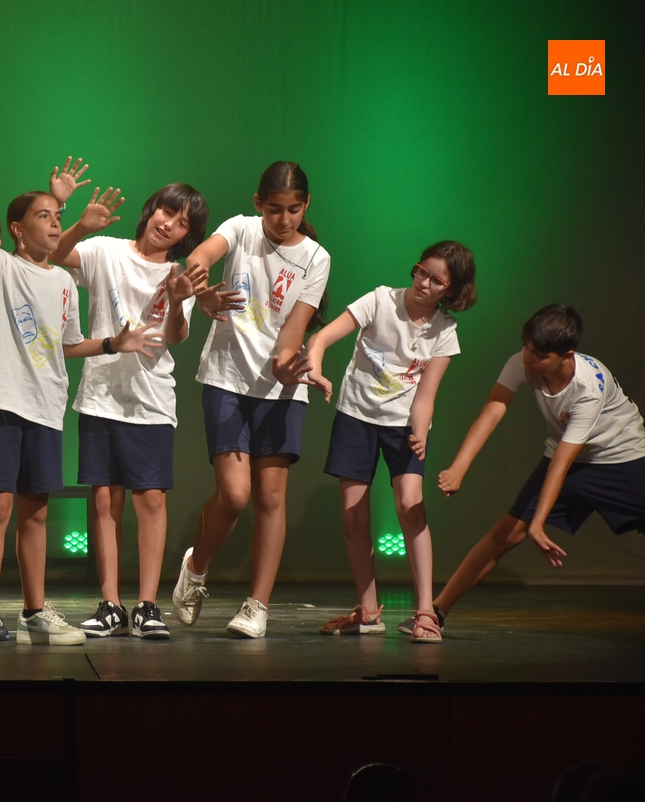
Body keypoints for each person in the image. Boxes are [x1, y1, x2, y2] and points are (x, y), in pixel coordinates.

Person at [0, 123, 163, 650]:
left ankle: (35, 611)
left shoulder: (63, 281)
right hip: (1, 406)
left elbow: (64, 345)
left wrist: (112, 345)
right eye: (45, 217)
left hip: (46, 409)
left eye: (59, 219)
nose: (56, 225)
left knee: (35, 513)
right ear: (16, 229)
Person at [172, 161, 331, 638]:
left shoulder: (316, 258)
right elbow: (202, 254)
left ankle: (256, 605)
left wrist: (287, 364)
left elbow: (296, 327)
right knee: (235, 494)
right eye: (276, 209)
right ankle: (196, 569)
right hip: (226, 377)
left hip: (282, 387)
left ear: (306, 206)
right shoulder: (240, 230)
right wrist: (198, 287)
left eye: (295, 209)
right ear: (259, 203)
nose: (285, 219)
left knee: (270, 495)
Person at [418, 305, 645, 631]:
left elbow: (564, 462)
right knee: (505, 533)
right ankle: (435, 612)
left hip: (622, 459)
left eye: (538, 354)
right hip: (568, 456)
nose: (528, 358)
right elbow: (493, 410)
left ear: (566, 356)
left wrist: (539, 523)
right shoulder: (522, 362)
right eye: (526, 347)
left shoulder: (588, 388)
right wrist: (459, 467)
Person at [49, 182, 209, 639]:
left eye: (183, 223)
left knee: (151, 499)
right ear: (151, 208)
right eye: (167, 212)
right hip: (101, 393)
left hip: (151, 398)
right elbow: (56, 256)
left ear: (187, 235)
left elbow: (176, 336)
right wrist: (79, 224)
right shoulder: (105, 250)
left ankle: (147, 605)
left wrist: (177, 298)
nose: (170, 225)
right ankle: (110, 603)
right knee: (104, 499)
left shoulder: (182, 273)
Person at [302, 241, 477, 642]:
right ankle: (368, 610)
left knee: (410, 505)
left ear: (449, 290)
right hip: (356, 416)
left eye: (436, 280)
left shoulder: (444, 331)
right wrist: (315, 366)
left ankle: (424, 613)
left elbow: (427, 393)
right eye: (420, 271)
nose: (423, 282)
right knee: (352, 516)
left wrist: (418, 432)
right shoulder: (380, 301)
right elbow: (321, 339)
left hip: (404, 426)